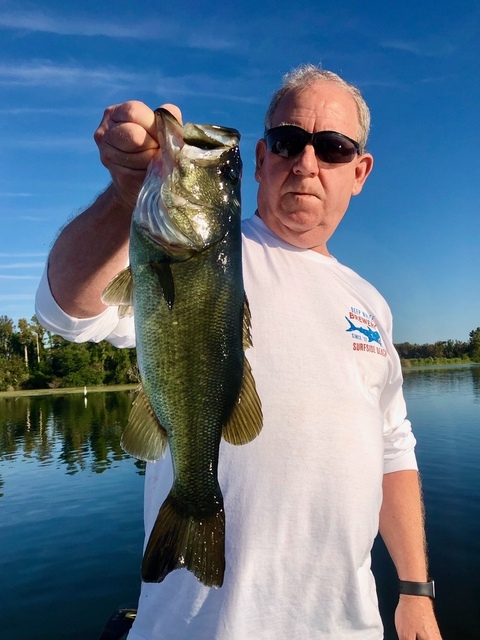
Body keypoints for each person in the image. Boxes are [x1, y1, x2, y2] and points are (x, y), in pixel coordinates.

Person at [35, 65, 442, 640]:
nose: (305, 162)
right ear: (259, 158)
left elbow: (393, 449)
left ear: (360, 170)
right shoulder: (203, 249)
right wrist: (123, 198)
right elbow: (66, 311)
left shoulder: (370, 301)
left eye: (331, 147)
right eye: (287, 141)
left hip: (348, 626)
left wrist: (415, 589)